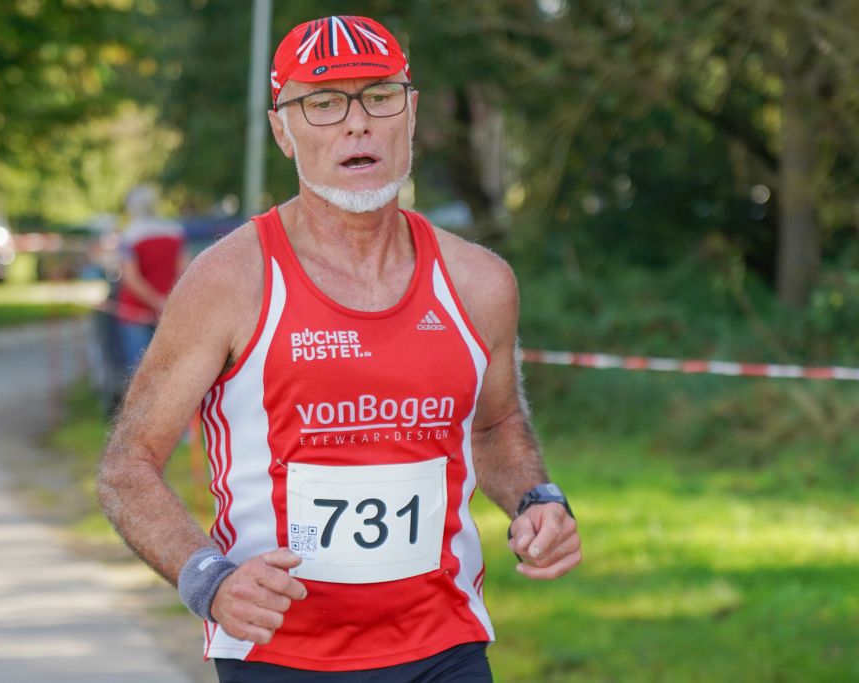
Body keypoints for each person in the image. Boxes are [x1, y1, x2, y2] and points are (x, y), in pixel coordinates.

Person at [98, 15, 581, 681]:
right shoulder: (228, 281)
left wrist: (537, 500)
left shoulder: (480, 282)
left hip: (445, 645)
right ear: (282, 131)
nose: (357, 124)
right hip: (281, 652)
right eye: (323, 104)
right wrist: (210, 579)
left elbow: (494, 426)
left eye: (379, 97)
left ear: (411, 113)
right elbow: (127, 466)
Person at [113, 184, 191, 373]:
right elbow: (185, 271)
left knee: (140, 372)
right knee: (169, 370)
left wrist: (157, 303)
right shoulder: (175, 232)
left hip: (136, 312)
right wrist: (166, 303)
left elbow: (131, 279)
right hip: (169, 310)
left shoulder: (130, 236)